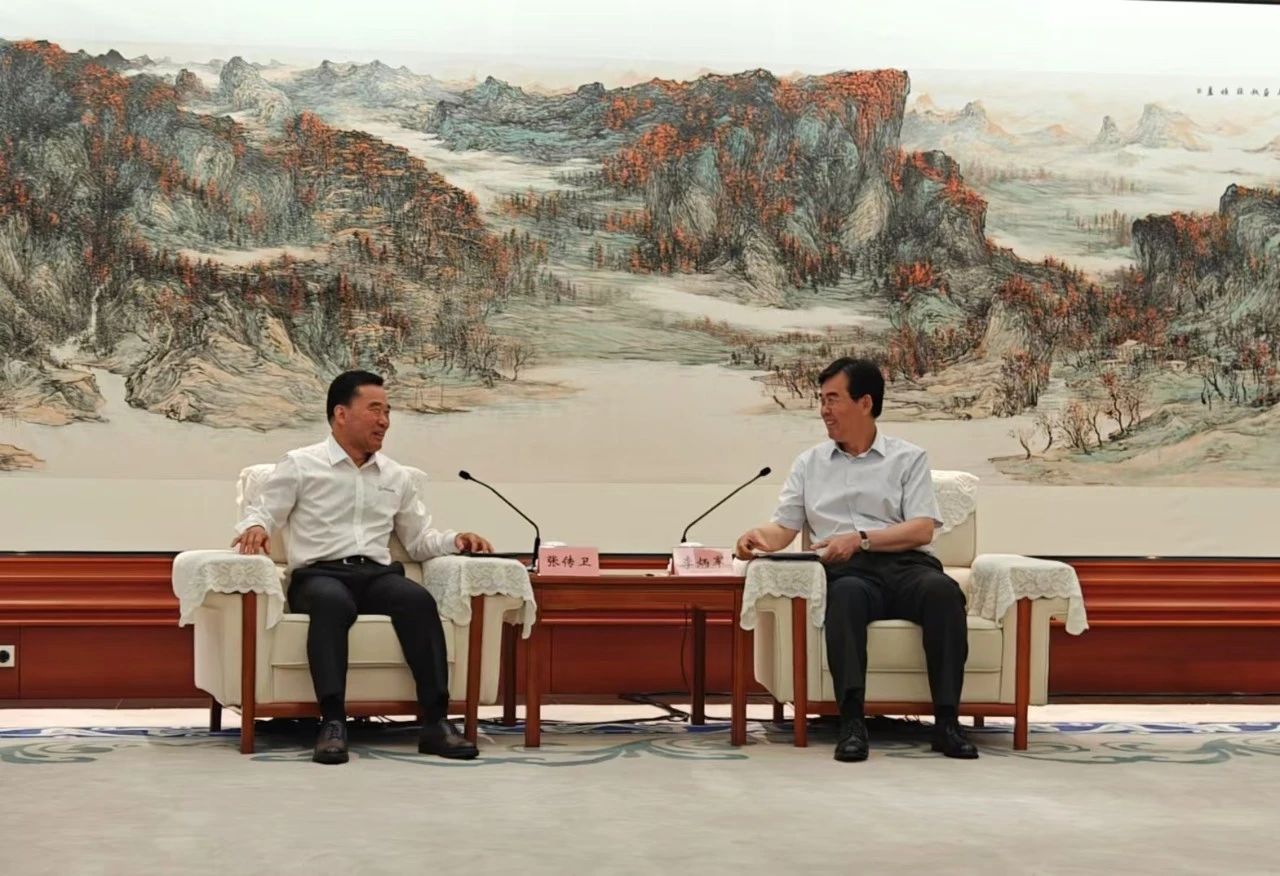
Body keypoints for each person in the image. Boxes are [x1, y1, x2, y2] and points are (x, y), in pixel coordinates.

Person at [233, 370, 494, 765]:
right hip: (319, 575)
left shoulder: (395, 476)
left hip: (375, 575)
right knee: (332, 603)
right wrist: (254, 527)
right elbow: (264, 511)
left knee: (418, 601)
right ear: (341, 414)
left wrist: (455, 541)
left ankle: (436, 723)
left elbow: (418, 540)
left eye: (387, 412)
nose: (384, 421)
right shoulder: (301, 464)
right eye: (375, 410)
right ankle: (333, 722)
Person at [735, 357, 978, 762]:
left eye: (833, 399)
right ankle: (851, 723)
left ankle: (947, 723)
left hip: (906, 566)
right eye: (821, 400)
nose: (823, 410)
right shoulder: (810, 464)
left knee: (944, 593)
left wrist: (861, 539)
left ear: (865, 402)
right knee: (845, 598)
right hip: (847, 573)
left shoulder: (908, 458)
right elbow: (784, 528)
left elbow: (922, 529)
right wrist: (757, 538)